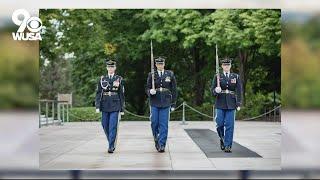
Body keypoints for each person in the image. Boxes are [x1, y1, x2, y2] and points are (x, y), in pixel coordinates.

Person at [146, 56, 177, 153]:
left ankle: (162, 144)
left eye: (161, 64)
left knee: (164, 124)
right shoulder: (152, 74)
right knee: (154, 122)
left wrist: (173, 104)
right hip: (155, 101)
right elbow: (147, 87)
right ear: (155, 65)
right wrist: (150, 91)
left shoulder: (170, 74)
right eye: (158, 64)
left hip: (166, 102)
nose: (160, 65)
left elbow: (174, 90)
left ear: (164, 64)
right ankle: (156, 137)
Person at [211, 58, 242, 153]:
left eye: (228, 65)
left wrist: (238, 103)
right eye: (224, 65)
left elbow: (239, 91)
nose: (226, 66)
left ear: (230, 66)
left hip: (231, 104)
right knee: (219, 124)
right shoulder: (217, 76)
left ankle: (228, 145)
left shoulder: (235, 76)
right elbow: (212, 91)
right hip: (220, 102)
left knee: (230, 125)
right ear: (222, 66)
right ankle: (222, 138)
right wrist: (216, 90)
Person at [95, 59, 125, 153]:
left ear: (115, 68)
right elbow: (98, 93)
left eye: (112, 67)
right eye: (109, 67)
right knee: (104, 125)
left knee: (112, 126)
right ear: (106, 68)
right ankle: (111, 140)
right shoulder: (102, 79)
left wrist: (122, 108)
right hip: (104, 104)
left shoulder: (119, 79)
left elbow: (121, 94)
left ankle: (111, 145)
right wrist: (97, 106)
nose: (110, 68)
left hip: (115, 105)